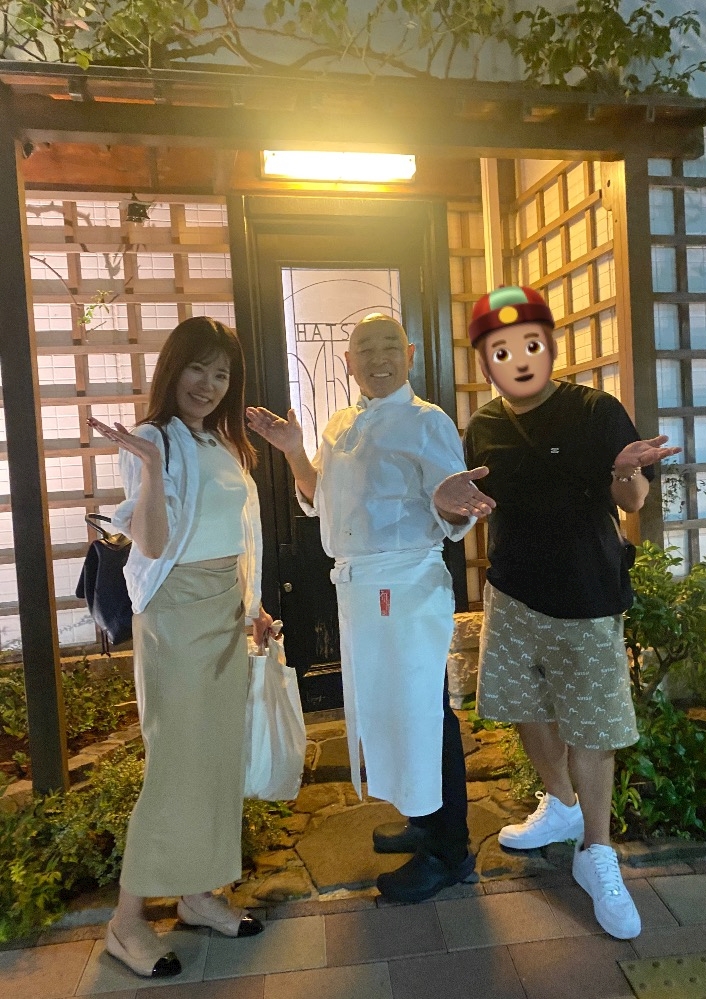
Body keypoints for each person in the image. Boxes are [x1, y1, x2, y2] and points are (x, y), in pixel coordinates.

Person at [246, 313, 494, 903]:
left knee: (422, 710)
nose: (378, 358)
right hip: (358, 586)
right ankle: (422, 817)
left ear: (410, 354)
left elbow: (453, 510)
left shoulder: (428, 421)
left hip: (404, 583)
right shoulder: (341, 423)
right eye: (365, 349)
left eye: (389, 347)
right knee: (385, 708)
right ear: (349, 362)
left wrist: (449, 503)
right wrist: (293, 451)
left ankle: (450, 850)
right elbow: (319, 499)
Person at [463, 285, 680, 940]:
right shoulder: (483, 426)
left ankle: (597, 850)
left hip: (586, 593)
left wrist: (624, 472)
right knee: (524, 705)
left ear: (550, 346)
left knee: (591, 726)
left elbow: (633, 500)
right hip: (512, 591)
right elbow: (473, 502)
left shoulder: (595, 411)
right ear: (485, 360)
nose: (519, 359)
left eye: (530, 343)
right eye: (501, 349)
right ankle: (559, 804)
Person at [88, 317, 273, 978]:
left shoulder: (220, 441)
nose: (208, 384)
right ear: (173, 368)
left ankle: (197, 895)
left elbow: (236, 532)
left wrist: (254, 607)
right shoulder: (153, 438)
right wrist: (148, 466)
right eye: (198, 368)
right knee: (174, 766)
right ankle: (126, 920)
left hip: (223, 611)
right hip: (174, 617)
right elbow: (154, 544)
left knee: (216, 762)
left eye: (221, 374)